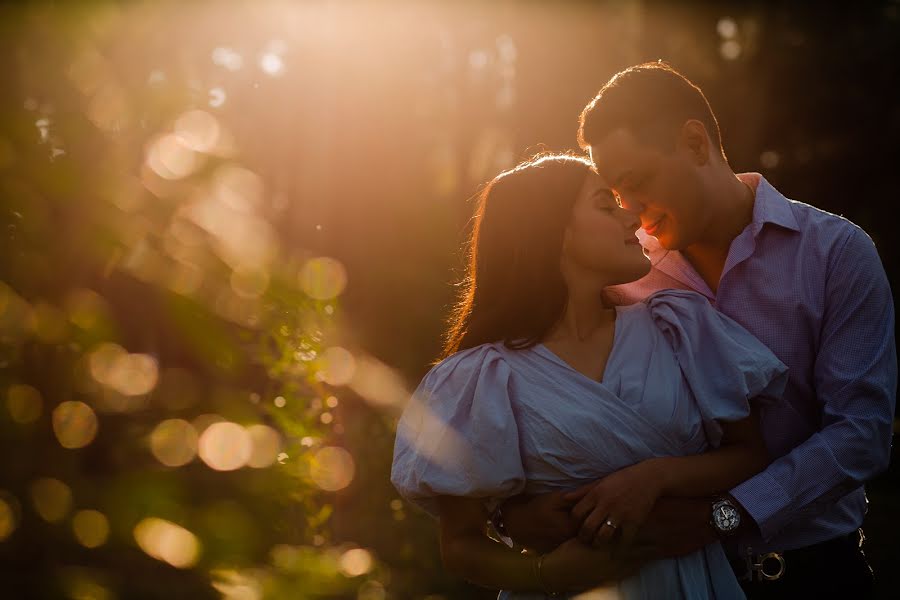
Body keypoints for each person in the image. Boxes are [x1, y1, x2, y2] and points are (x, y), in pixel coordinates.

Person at [501, 62, 897, 599]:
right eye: (616, 196)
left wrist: (724, 517)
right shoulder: (620, 277)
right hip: (668, 583)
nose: (633, 213)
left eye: (637, 183)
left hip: (817, 575)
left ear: (693, 142)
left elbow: (862, 434)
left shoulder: (836, 253)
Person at [391, 153, 790, 598]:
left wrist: (654, 477)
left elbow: (751, 455)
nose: (632, 214)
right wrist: (546, 574)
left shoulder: (679, 327)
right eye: (606, 204)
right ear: (551, 231)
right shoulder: (481, 377)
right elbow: (460, 545)